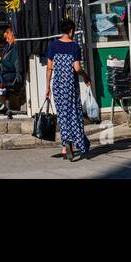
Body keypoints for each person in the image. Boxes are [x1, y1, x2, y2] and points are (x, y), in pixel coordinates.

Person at [43, 18, 90, 161]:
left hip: (58, 85)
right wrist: (86, 76)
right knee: (74, 113)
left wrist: (48, 87)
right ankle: (78, 144)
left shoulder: (53, 45)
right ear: (71, 31)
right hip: (70, 85)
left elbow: (49, 68)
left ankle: (65, 147)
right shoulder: (75, 47)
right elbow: (77, 68)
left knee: (63, 115)